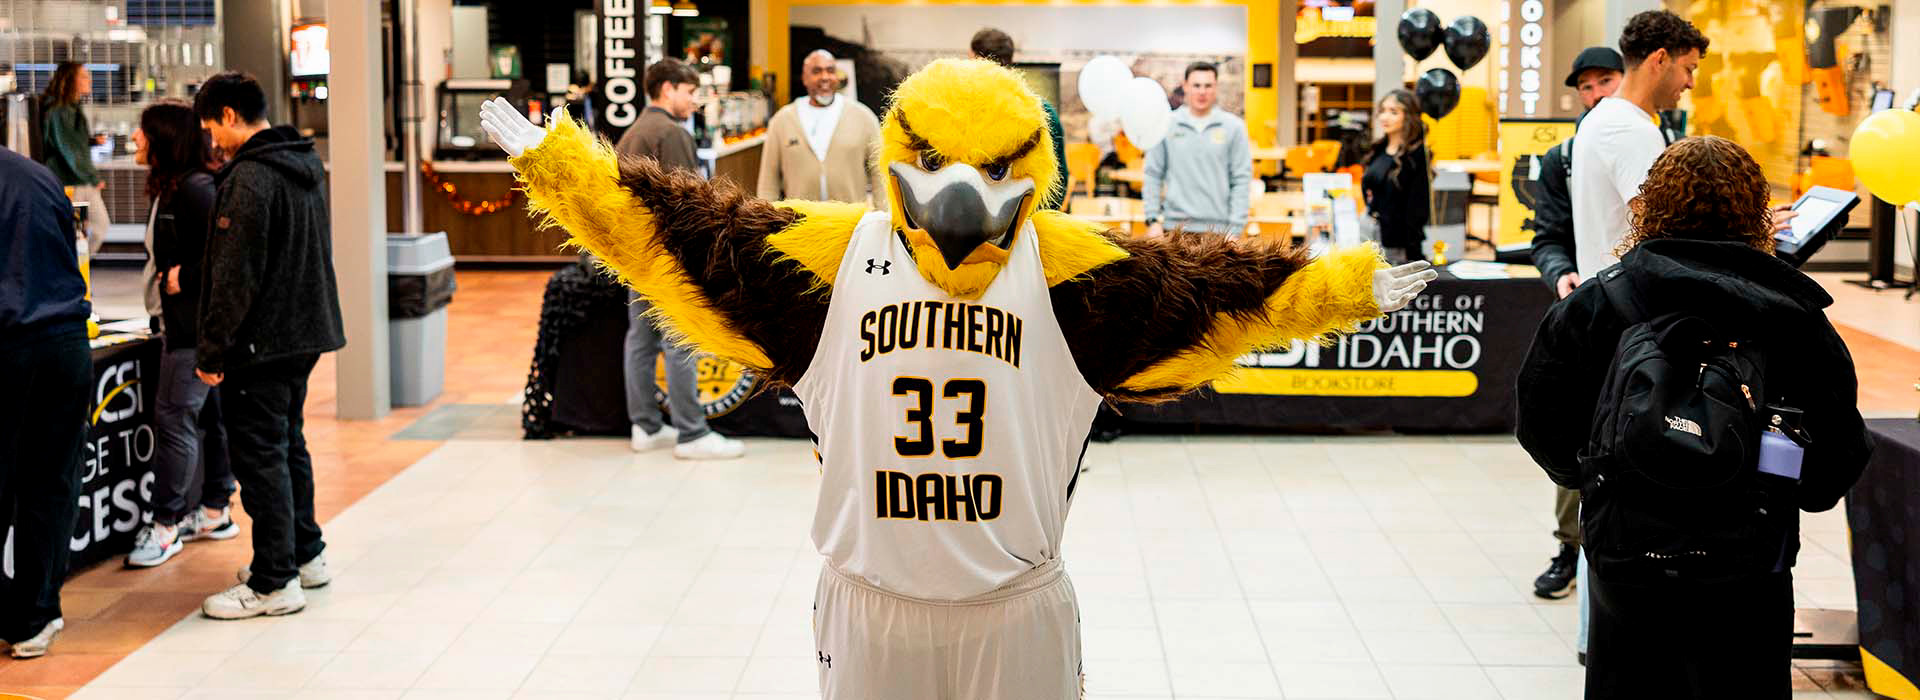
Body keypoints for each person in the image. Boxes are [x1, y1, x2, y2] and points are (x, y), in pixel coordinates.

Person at [481, 57, 1435, 700]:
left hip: (1008, 607)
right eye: (938, 163)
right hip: (873, 601)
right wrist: (557, 164)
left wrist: (1339, 286)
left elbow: (1215, 294)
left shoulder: (1073, 267)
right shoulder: (829, 255)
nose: (962, 193)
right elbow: (677, 235)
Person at [1517, 135, 1873, 699]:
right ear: (1755, 211)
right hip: (1750, 562)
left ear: (1649, 205)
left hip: (1626, 557)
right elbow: (1838, 455)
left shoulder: (1599, 304)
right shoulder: (1794, 317)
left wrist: (1598, 477)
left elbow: (1540, 420)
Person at [192, 71, 344, 619]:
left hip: (262, 342)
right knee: (288, 445)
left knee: (260, 457)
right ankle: (305, 554)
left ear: (230, 116)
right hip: (302, 333)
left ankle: (273, 581)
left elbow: (233, 276)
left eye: (212, 127)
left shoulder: (251, 177)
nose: (212, 140)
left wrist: (212, 352)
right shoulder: (300, 163)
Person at [1525, 45, 1624, 601]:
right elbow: (1547, 236)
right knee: (1579, 427)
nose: (1595, 95)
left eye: (1605, 81)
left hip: (1650, 315)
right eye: (1585, 87)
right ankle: (1569, 545)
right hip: (1587, 312)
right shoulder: (1561, 157)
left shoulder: (1651, 145)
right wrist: (1560, 274)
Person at [613, 58, 746, 460]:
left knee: (640, 340)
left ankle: (646, 426)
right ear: (667, 89)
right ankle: (691, 433)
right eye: (690, 92)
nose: (695, 101)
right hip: (668, 255)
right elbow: (691, 204)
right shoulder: (670, 133)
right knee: (679, 341)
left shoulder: (631, 133)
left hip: (636, 253)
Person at [125, 100, 239, 569]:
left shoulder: (195, 190)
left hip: (192, 330)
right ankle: (215, 510)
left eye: (142, 132)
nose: (134, 139)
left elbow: (227, 254)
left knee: (174, 419)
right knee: (209, 419)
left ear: (164, 140)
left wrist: (184, 279)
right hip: (183, 324)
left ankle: (167, 523)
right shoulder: (173, 189)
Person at [0, 147, 91, 659]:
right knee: (51, 482)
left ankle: (19, 611)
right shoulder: (39, 177)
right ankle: (37, 614)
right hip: (65, 342)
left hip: (8, 345)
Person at [1569, 10, 1707, 281]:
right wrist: (1748, 234)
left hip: (1610, 296)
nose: (1690, 83)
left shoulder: (1605, 118)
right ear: (1660, 59)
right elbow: (1665, 231)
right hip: (1627, 305)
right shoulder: (1630, 129)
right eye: (1688, 69)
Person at [758, 50, 886, 206]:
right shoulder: (782, 121)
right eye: (816, 71)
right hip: (800, 224)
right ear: (804, 78)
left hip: (850, 224)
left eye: (831, 71)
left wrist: (883, 217)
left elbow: (880, 173)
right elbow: (768, 181)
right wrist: (764, 221)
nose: (825, 77)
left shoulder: (863, 117)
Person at [1144, 62, 1253, 237]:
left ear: (1216, 87)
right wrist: (1152, 219)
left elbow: (1241, 179)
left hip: (1220, 232)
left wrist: (1235, 229)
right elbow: (1152, 174)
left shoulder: (1234, 127)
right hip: (1175, 229)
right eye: (1196, 85)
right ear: (1185, 86)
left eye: (1208, 86)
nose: (1202, 92)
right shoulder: (1165, 124)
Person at [969, 28, 1070, 210]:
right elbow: (1059, 181)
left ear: (978, 60)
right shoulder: (1042, 111)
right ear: (1010, 61)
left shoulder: (966, 113)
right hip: (1028, 223)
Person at [38, 62, 110, 254]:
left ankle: (74, 270)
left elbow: (68, 142)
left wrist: (91, 141)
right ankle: (73, 270)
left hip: (75, 181)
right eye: (84, 76)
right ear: (70, 80)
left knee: (84, 232)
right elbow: (68, 149)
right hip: (72, 183)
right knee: (83, 231)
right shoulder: (61, 110)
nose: (90, 80)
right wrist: (93, 177)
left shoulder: (68, 108)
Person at [1360, 89, 1431, 262]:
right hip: (1368, 229)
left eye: (1393, 112)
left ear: (1408, 116)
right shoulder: (1378, 149)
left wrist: (1413, 247)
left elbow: (1418, 207)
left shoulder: (1416, 155)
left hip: (1397, 239)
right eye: (1383, 111)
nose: (1385, 117)